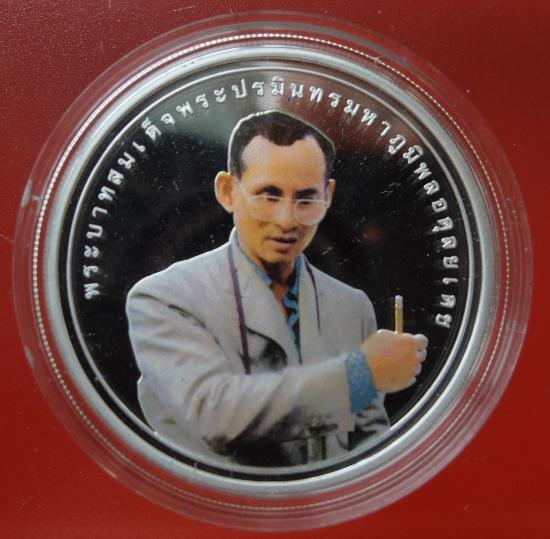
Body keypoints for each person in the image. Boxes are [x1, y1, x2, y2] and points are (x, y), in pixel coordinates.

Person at [126, 111, 428, 468]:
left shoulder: (351, 306)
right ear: (227, 191)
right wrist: (359, 375)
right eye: (268, 195)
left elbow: (370, 444)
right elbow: (215, 416)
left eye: (306, 199)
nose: (287, 220)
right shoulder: (163, 298)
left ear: (328, 196)